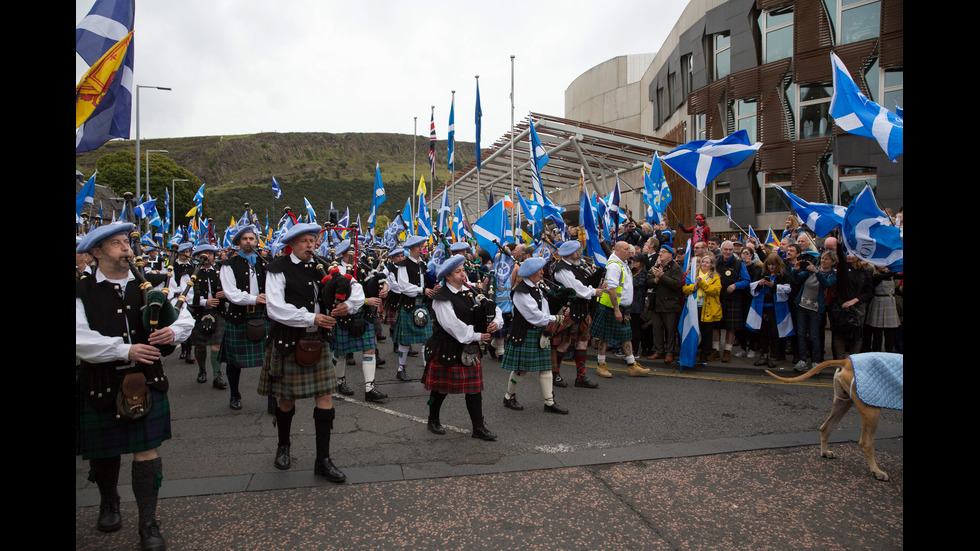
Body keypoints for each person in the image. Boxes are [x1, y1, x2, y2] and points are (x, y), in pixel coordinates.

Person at [76, 222, 195, 551]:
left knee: (147, 451)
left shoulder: (154, 283)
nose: (126, 248)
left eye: (126, 242)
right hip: (101, 381)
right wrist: (123, 350)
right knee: (105, 451)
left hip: (147, 379)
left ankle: (148, 521)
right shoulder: (80, 290)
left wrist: (174, 332)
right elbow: (78, 338)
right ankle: (109, 501)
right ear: (96, 253)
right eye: (116, 244)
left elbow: (186, 316)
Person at [258, 223, 346, 483]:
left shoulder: (324, 266)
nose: (311, 245)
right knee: (286, 400)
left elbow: (350, 291)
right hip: (289, 339)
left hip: (318, 339)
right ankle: (283, 445)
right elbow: (275, 308)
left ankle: (323, 460)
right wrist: (312, 317)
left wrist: (345, 305)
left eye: (313, 241)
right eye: (305, 241)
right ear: (292, 244)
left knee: (325, 397)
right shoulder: (277, 269)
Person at [422, 255, 502, 440]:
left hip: (469, 348)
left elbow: (493, 308)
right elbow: (453, 326)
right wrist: (477, 336)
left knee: (474, 389)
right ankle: (432, 418)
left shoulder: (471, 290)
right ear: (448, 276)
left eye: (463, 271)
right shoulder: (441, 298)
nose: (463, 275)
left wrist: (495, 323)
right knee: (440, 389)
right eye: (458, 272)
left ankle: (478, 427)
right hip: (447, 348)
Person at [500, 257, 569, 414]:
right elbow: (535, 316)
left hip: (538, 333)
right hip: (524, 334)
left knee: (546, 368)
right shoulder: (521, 292)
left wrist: (560, 303)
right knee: (520, 369)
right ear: (530, 273)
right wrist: (555, 318)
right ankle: (509, 396)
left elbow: (544, 309)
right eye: (539, 270)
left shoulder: (538, 288)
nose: (541, 272)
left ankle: (549, 403)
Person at [218, 225, 270, 411]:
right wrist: (254, 298)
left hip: (263, 315)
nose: (249, 241)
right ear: (238, 243)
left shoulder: (265, 262)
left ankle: (272, 398)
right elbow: (231, 293)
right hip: (239, 316)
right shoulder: (228, 265)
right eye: (245, 239)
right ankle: (234, 394)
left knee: (270, 359)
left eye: (252, 238)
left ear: (257, 241)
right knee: (234, 361)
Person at [330, 239, 388, 402]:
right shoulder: (337, 271)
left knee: (369, 349)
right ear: (343, 254)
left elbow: (380, 278)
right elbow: (339, 298)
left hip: (363, 315)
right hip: (344, 316)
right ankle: (340, 382)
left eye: (355, 251)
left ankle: (370, 388)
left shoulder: (362, 267)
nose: (354, 254)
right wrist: (366, 301)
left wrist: (385, 288)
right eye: (350, 252)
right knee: (340, 352)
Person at [590, 241, 651, 377]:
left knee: (626, 336)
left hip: (622, 307)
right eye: (626, 249)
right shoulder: (614, 266)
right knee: (604, 337)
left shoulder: (623, 263)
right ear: (617, 251)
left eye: (630, 249)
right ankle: (601, 365)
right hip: (611, 306)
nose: (630, 251)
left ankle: (631, 365)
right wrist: (617, 309)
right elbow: (611, 289)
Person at [550, 241, 604, 388]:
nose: (578, 254)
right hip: (569, 310)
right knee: (564, 343)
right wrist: (594, 292)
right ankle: (555, 375)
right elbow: (576, 289)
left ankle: (581, 377)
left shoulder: (575, 266)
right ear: (570, 254)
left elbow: (586, 283)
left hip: (582, 309)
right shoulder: (562, 270)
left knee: (582, 342)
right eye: (576, 252)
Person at [391, 235, 437, 381]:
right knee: (405, 341)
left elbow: (427, 282)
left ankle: (426, 371)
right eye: (418, 247)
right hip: (410, 306)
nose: (420, 248)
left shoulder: (423, 263)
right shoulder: (403, 264)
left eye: (421, 246)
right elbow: (403, 287)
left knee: (427, 339)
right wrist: (422, 290)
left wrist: (433, 287)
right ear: (410, 249)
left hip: (422, 305)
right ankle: (400, 369)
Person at [187, 243, 227, 389]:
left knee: (216, 346)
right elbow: (185, 296)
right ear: (197, 257)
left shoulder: (220, 271)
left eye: (210, 253)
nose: (208, 256)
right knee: (200, 346)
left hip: (218, 312)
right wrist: (205, 301)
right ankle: (201, 371)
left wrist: (225, 294)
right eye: (204, 254)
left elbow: (232, 288)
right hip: (199, 312)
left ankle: (217, 376)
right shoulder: (190, 273)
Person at [792, 250, 837, 371]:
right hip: (802, 305)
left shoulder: (832, 274)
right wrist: (795, 270)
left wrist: (817, 272)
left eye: (827, 259)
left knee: (814, 335)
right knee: (801, 334)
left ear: (833, 262)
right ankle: (802, 360)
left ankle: (816, 361)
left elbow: (826, 284)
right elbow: (796, 280)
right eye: (822, 258)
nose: (823, 261)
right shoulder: (811, 270)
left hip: (816, 309)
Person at [748, 253, 793, 368]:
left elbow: (787, 290)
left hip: (776, 308)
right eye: (769, 265)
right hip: (762, 307)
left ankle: (774, 356)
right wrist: (760, 283)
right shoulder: (761, 273)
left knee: (774, 332)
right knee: (762, 332)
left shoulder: (784, 274)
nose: (771, 267)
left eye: (774, 265)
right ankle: (763, 355)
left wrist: (774, 286)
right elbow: (752, 286)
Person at [683, 254, 722, 365]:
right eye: (703, 262)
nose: (704, 264)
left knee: (706, 334)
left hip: (708, 309)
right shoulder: (693, 274)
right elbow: (685, 289)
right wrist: (695, 286)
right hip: (694, 308)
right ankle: (692, 355)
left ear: (712, 265)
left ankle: (704, 356)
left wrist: (702, 284)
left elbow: (715, 291)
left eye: (707, 262)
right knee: (694, 332)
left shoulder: (715, 277)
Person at [714, 240, 750, 362]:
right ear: (721, 250)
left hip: (733, 299)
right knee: (715, 326)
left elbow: (747, 281)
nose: (728, 252)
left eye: (730, 250)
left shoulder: (739, 264)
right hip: (718, 299)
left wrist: (735, 285)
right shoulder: (716, 262)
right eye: (726, 249)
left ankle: (727, 351)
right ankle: (715, 351)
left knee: (730, 327)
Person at [648, 244, 685, 363]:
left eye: (663, 252)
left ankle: (670, 352)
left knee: (670, 330)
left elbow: (676, 285)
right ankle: (658, 351)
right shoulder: (656, 266)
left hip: (670, 304)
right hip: (656, 303)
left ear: (670, 255)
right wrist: (655, 279)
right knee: (657, 329)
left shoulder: (676, 268)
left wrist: (662, 277)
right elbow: (648, 281)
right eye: (660, 252)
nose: (660, 254)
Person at [862, 265, 903, 353]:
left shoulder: (892, 275)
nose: (884, 266)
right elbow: (885, 276)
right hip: (879, 302)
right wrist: (894, 269)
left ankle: (889, 351)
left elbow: (898, 275)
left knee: (890, 332)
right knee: (877, 332)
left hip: (890, 303)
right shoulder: (875, 276)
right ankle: (876, 351)